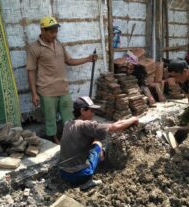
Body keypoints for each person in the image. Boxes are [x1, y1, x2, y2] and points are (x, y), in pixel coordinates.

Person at [26, 16, 97, 144]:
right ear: (43, 31)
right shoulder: (34, 48)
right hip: (46, 90)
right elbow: (31, 70)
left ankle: (71, 135)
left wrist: (88, 58)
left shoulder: (58, 44)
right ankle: (53, 139)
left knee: (68, 116)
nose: (55, 34)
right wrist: (34, 94)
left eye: (56, 31)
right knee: (50, 119)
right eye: (51, 31)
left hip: (63, 88)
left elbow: (69, 61)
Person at [59, 96, 139, 189]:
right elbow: (115, 127)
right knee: (98, 144)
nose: (93, 114)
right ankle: (88, 182)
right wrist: (133, 119)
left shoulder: (67, 123)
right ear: (82, 111)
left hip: (64, 174)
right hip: (79, 176)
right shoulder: (86, 125)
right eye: (91, 111)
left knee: (93, 141)